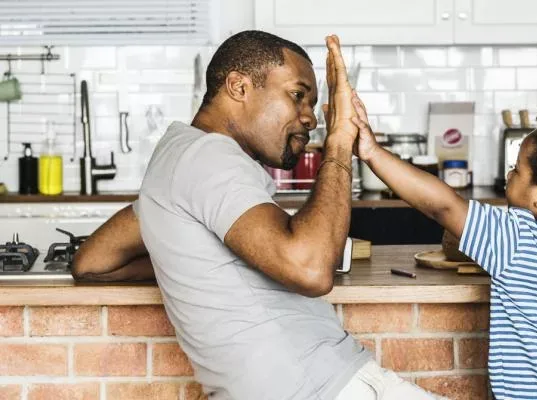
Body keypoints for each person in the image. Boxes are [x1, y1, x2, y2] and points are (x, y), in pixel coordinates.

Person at [72, 31, 444, 400]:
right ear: (238, 86)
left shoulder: (180, 159)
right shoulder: (209, 158)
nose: (310, 119)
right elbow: (311, 270)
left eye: (312, 105)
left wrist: (197, 266)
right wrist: (340, 141)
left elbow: (92, 262)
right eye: (298, 96)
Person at [349, 97, 537, 399]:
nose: (510, 174)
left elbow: (443, 206)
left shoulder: (513, 236)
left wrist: (373, 152)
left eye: (517, 170)